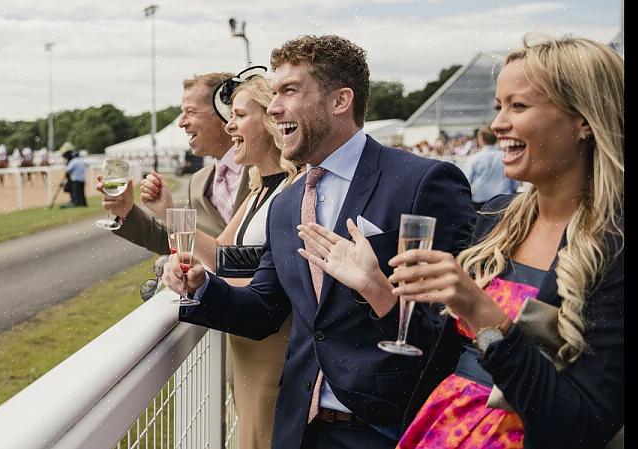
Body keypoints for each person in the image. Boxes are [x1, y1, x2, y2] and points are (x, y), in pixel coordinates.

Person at [298, 35, 623, 449]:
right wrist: (376, 287)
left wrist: (482, 312)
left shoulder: (612, 249)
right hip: (439, 430)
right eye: (498, 107)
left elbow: (580, 425)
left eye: (518, 106)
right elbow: (439, 354)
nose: (496, 125)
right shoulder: (497, 219)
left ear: (584, 120)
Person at [161, 35, 476, 449]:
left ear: (340, 101)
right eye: (273, 94)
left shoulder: (424, 182)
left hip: (387, 430)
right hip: (300, 429)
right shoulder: (287, 203)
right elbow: (263, 310)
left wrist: (377, 290)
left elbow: (459, 329)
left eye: (289, 92)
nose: (275, 108)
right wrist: (201, 286)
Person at [185, 67, 300, 449]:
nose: (228, 125)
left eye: (238, 115)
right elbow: (222, 256)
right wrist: (171, 221)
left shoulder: (295, 188)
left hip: (274, 348)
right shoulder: (257, 191)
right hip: (246, 350)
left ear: (270, 120)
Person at [98, 72, 250, 255]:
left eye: (190, 112)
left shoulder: (267, 170)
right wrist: (128, 211)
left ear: (225, 113)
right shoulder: (197, 182)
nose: (181, 123)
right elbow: (178, 245)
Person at [463, 126, 520, 210]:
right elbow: (515, 183)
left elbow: (466, 182)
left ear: (481, 139)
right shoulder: (506, 156)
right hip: (504, 202)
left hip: (480, 204)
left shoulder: (474, 158)